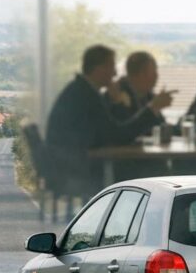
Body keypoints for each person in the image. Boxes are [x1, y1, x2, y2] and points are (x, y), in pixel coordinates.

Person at [46, 45, 166, 194]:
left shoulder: (82, 90)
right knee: (142, 170)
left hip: (66, 164)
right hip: (73, 170)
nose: (115, 73)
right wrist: (152, 109)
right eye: (111, 67)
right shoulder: (87, 96)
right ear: (99, 69)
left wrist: (117, 103)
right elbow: (116, 136)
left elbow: (113, 132)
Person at [108, 51, 176, 129]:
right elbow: (127, 130)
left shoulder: (148, 95)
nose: (157, 76)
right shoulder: (116, 94)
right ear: (141, 73)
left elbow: (160, 126)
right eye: (154, 71)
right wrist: (154, 106)